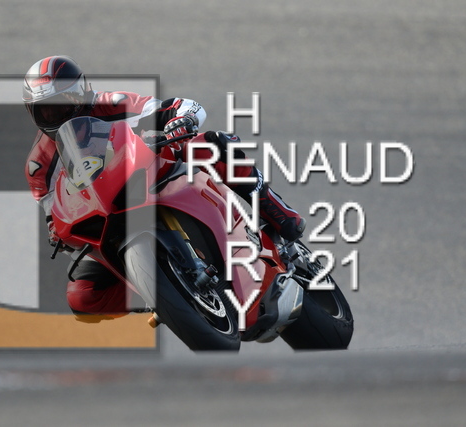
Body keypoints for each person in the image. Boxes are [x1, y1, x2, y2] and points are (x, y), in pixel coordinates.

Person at [23, 55, 305, 320]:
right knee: (82, 298)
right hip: (103, 214)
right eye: (46, 111)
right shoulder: (39, 165)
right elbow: (53, 212)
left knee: (208, 144)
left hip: (147, 171)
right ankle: (165, 296)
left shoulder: (112, 104)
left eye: (63, 104)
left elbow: (180, 107)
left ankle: (276, 211)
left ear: (81, 93)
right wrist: (57, 232)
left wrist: (180, 120)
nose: (57, 115)